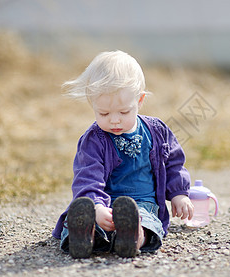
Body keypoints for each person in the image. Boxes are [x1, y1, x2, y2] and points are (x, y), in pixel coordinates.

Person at [52, 50, 194, 258]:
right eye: (104, 113)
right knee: (85, 215)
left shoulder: (157, 131)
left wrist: (179, 193)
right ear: (92, 104)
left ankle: (133, 236)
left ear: (140, 100)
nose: (114, 120)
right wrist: (97, 207)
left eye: (124, 112)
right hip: (104, 204)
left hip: (142, 205)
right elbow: (87, 176)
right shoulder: (94, 140)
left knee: (145, 222)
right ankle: (86, 234)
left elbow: (173, 163)